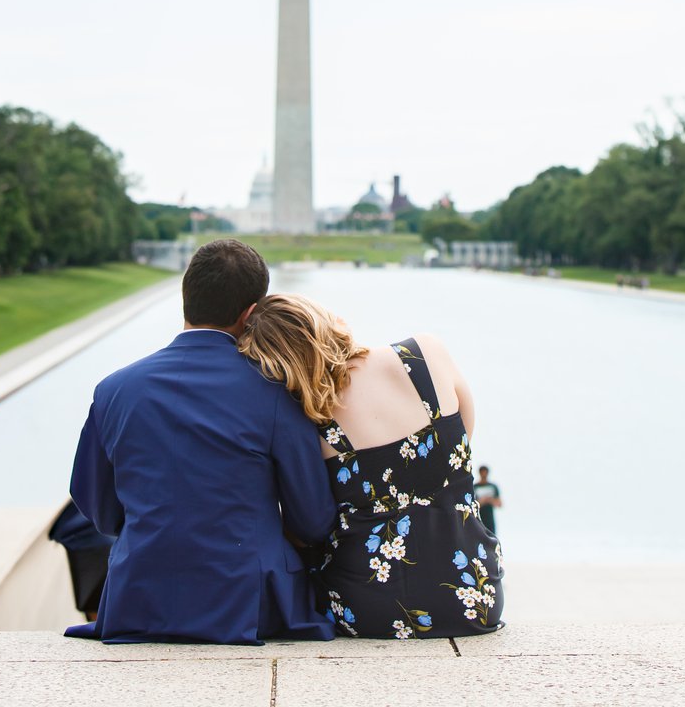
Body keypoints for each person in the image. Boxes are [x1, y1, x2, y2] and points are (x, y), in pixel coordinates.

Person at [66, 239, 336, 645]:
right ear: (251, 314)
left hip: (138, 598)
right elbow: (313, 519)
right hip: (250, 604)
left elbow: (99, 511)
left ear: (185, 299)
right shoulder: (276, 391)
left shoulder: (114, 390)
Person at [238, 293, 504, 640]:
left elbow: (307, 527)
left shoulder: (312, 424)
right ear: (326, 320)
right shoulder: (426, 353)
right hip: (474, 598)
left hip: (367, 610)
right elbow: (462, 447)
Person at [474, 466, 502, 536]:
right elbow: (472, 504)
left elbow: (499, 504)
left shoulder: (493, 487)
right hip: (479, 518)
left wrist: (490, 500)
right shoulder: (475, 487)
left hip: (490, 518)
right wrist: (482, 501)